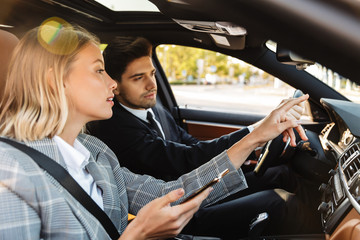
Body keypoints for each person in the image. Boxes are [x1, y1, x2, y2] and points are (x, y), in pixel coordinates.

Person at [0, 21, 310, 239]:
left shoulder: (94, 151)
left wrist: (256, 136)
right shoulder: (10, 177)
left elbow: (168, 194)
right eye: (99, 70)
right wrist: (138, 235)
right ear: (56, 81)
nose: (111, 83)